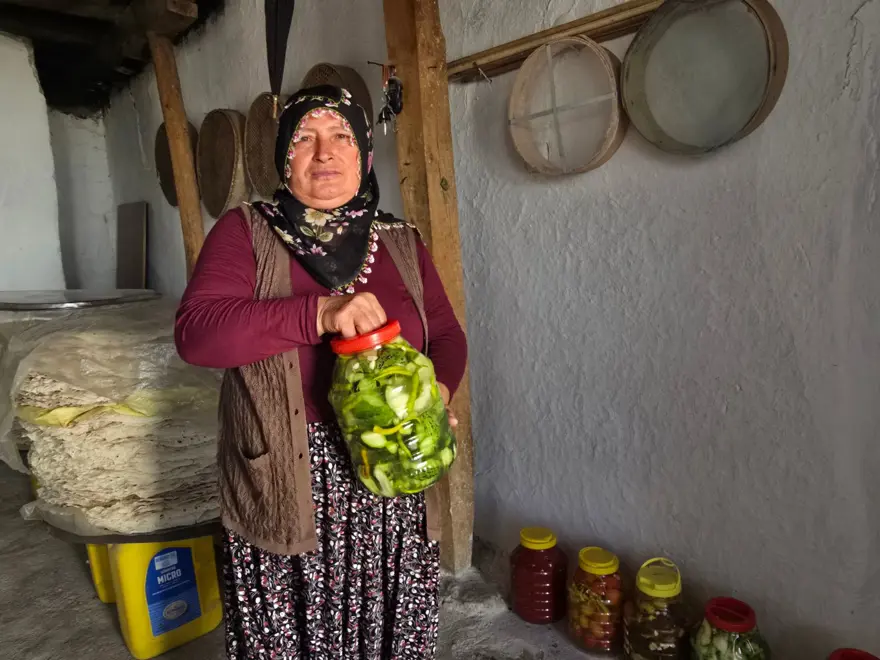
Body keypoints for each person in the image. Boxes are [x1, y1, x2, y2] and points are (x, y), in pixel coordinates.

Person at [175, 84, 467, 660]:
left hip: (391, 468)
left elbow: (448, 335)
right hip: (291, 473)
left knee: (388, 622)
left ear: (363, 154)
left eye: (340, 136)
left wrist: (436, 390)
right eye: (305, 138)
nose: (324, 152)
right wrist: (321, 311)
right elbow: (199, 334)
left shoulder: (401, 241)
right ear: (284, 158)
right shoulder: (246, 232)